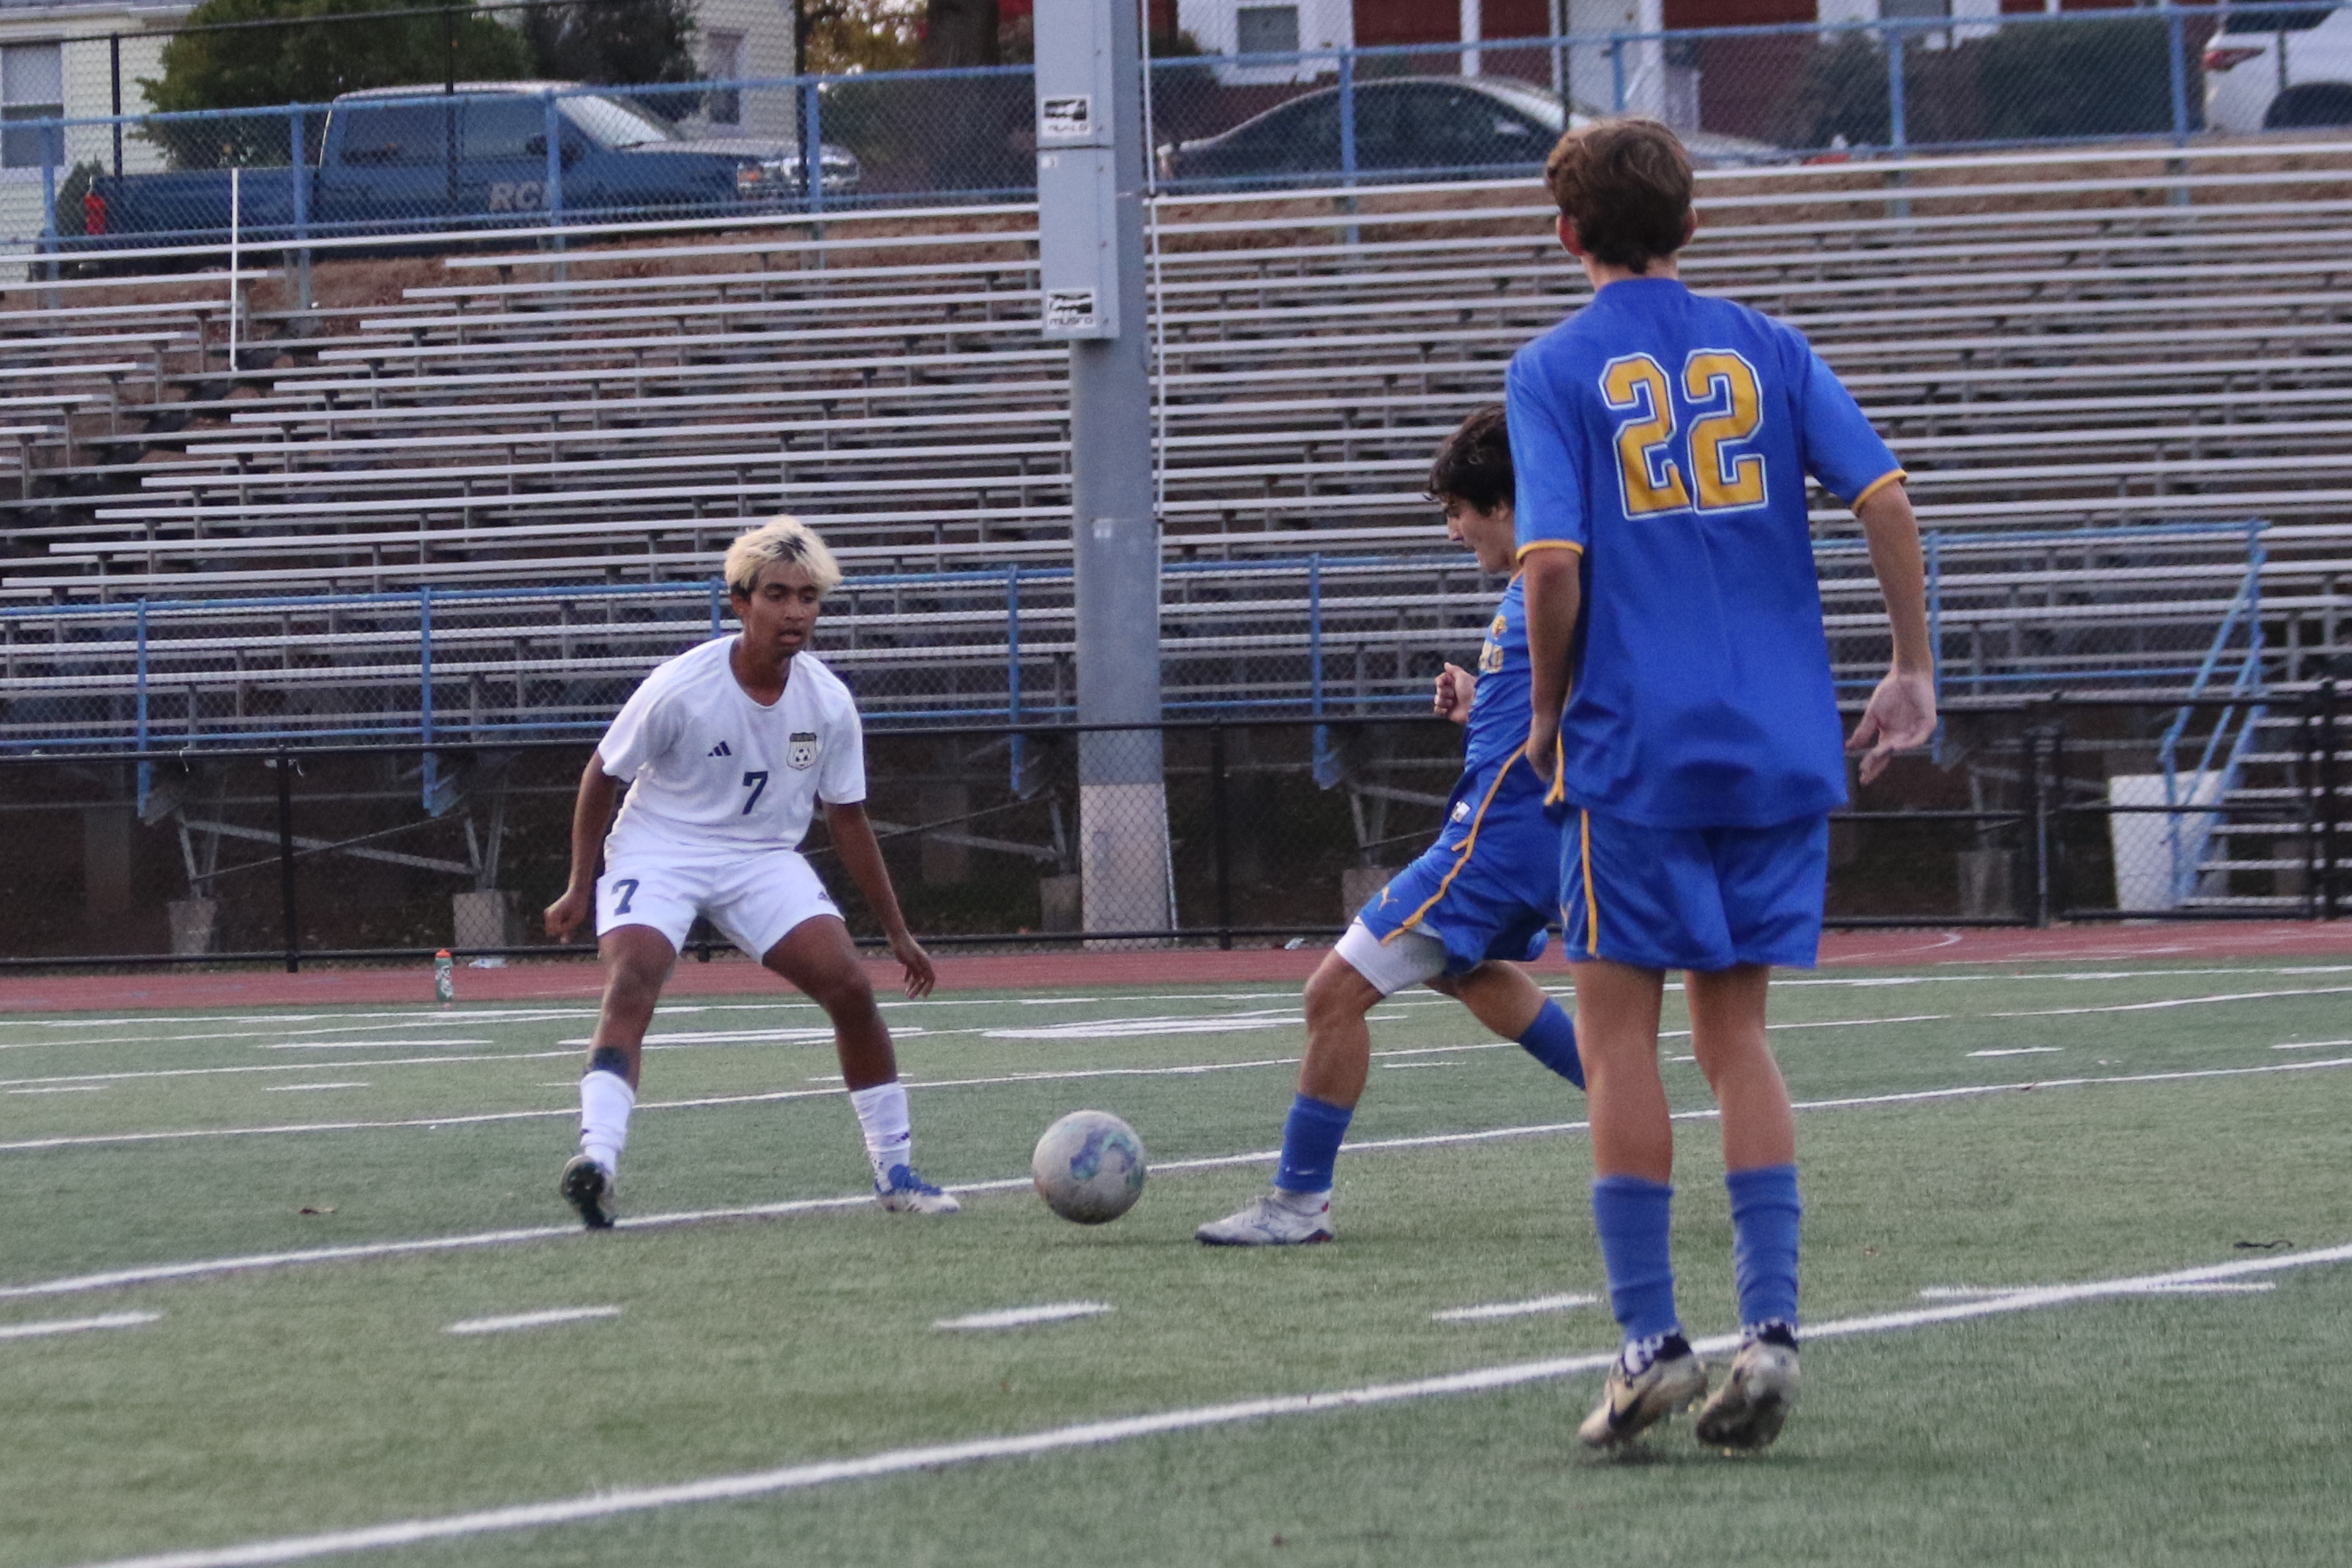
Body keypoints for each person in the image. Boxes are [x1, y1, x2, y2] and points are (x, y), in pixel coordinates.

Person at [1509, 119, 1935, 1450]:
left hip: (1636, 741)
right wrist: (1910, 666)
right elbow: (1885, 498)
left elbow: (1552, 563)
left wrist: (1544, 712)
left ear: (1566, 234)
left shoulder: (1553, 365)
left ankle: (1650, 1340)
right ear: (1691, 225)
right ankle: (1775, 1328)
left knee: (1619, 1038)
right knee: (1737, 1037)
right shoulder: (1771, 347)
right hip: (1777, 736)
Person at [1196, 406, 1586, 1248]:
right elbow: (1560, 697)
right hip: (1519, 835)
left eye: (1458, 511)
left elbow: (1591, 697)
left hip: (1490, 843)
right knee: (1469, 974)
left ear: (1503, 503)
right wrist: (1483, 700)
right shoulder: (1538, 581)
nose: (1452, 531)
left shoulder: (1551, 577)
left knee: (1331, 993)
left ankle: (1298, 1203)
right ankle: (1627, 1098)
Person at [543, 516, 960, 1229]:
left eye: (808, 597)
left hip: (762, 858)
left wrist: (897, 931)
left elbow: (848, 818)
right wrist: (581, 884)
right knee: (633, 977)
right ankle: (598, 1162)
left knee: (851, 988)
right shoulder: (682, 686)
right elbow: (602, 773)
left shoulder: (828, 701)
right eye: (777, 594)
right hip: (660, 849)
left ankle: (895, 1171)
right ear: (740, 601)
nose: (795, 611)